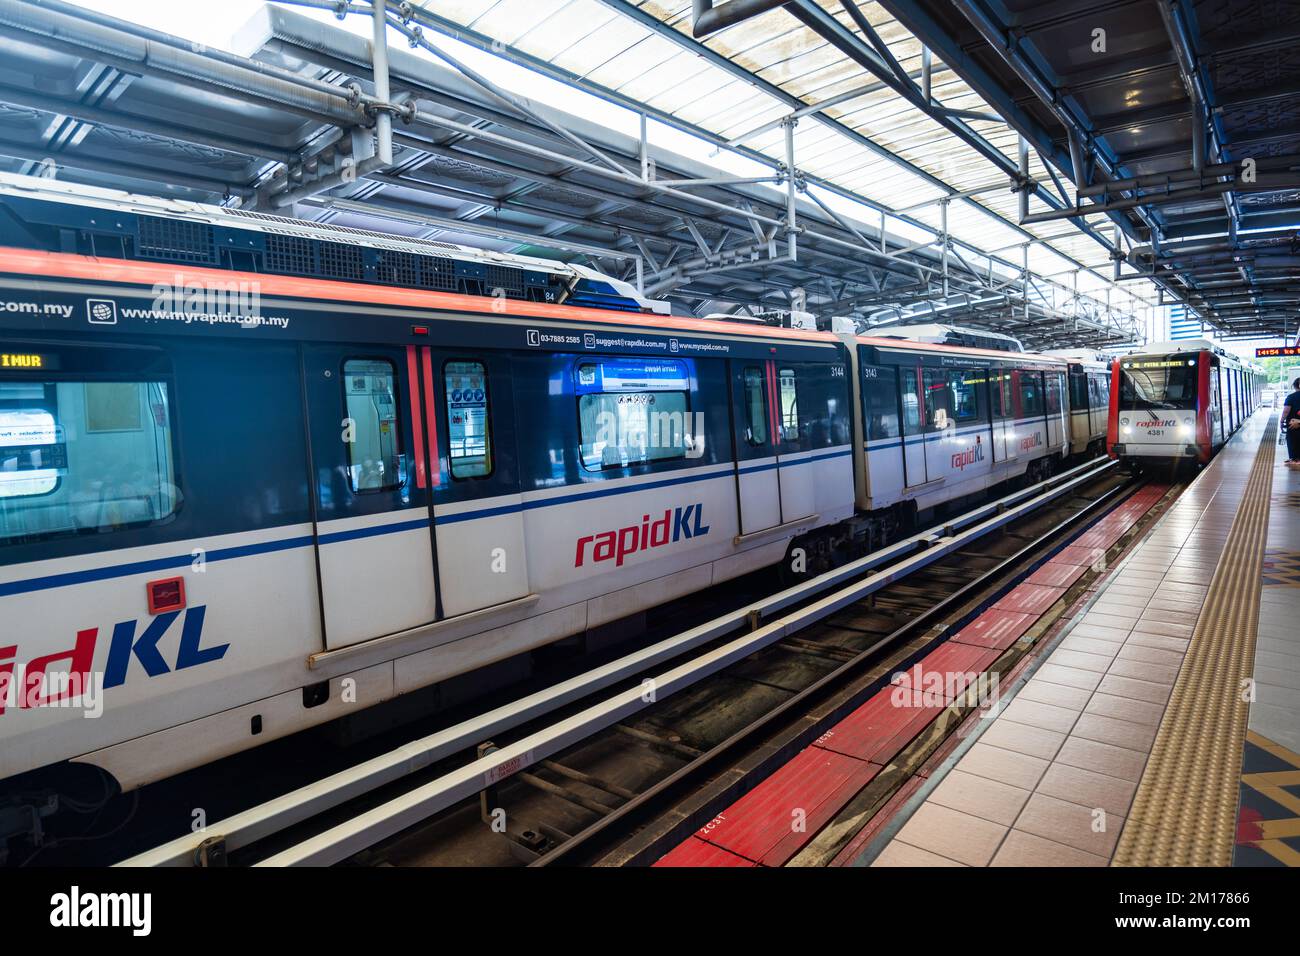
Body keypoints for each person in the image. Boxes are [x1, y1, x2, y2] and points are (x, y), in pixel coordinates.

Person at [1283, 378, 1300, 466]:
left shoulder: (1291, 397)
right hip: (1295, 422)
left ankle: (1294, 459)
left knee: (1292, 440)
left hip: (1292, 424)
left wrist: (1282, 421)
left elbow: (1286, 411)